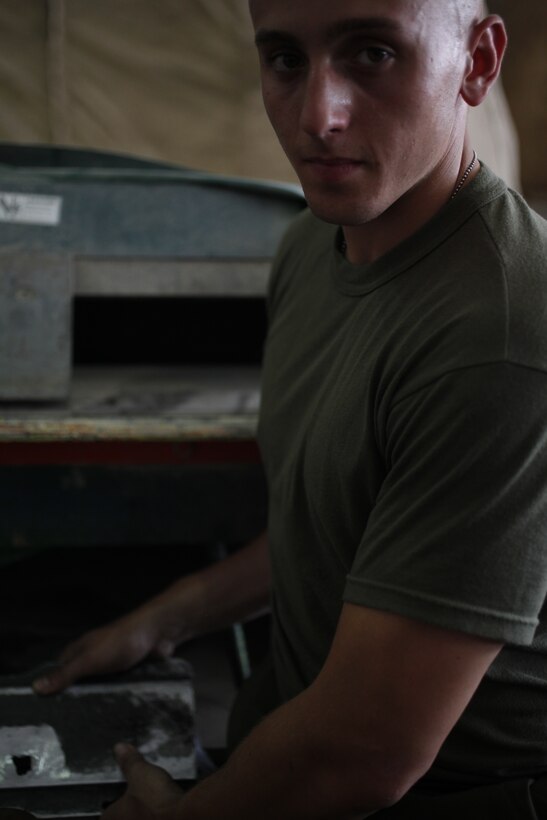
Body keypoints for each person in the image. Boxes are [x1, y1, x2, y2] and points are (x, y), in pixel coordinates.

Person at [33, 0, 547, 817]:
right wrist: (173, 614)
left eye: (373, 54)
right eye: (283, 61)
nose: (317, 116)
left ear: (478, 62)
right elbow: (346, 522)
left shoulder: (506, 336)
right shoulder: (312, 242)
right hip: (310, 733)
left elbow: (363, 757)